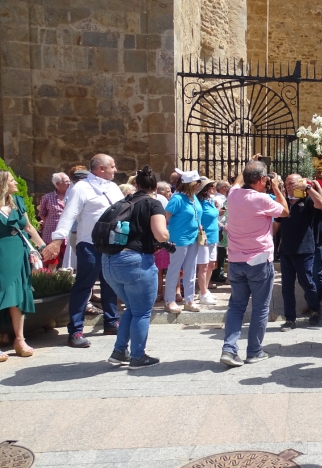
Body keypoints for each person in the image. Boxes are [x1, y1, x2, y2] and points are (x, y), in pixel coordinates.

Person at [42, 154, 123, 347]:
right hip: (89, 243)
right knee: (84, 285)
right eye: (112, 166)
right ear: (101, 168)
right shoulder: (81, 188)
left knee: (110, 282)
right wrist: (56, 240)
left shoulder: (113, 188)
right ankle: (76, 331)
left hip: (111, 243)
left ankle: (111, 322)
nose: (115, 170)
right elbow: (69, 215)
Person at [220, 161, 288, 367]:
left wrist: (249, 165)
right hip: (258, 260)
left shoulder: (233, 195)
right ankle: (254, 351)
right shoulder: (262, 200)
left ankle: (229, 349)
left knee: (236, 306)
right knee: (260, 308)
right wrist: (275, 186)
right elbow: (285, 211)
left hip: (236, 259)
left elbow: (237, 184)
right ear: (262, 180)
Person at [102, 167, 169, 370]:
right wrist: (166, 237)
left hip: (109, 261)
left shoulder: (122, 202)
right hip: (135, 261)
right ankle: (138, 356)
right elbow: (160, 234)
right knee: (141, 312)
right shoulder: (152, 203)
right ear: (155, 187)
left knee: (132, 308)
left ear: (136, 184)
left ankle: (119, 351)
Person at [0, 171, 45, 359]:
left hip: (19, 251)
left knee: (18, 294)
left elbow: (28, 227)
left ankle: (20, 340)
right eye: (11, 180)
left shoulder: (17, 201)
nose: (16, 183)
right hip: (1, 252)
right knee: (3, 291)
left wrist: (43, 246)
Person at [276, 174, 322, 330]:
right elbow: (276, 224)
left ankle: (315, 308)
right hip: (286, 250)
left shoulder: (307, 200)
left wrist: (309, 188)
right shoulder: (283, 201)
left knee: (307, 282)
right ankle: (290, 319)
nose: (289, 186)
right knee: (287, 286)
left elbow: (321, 205)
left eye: (292, 183)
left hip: (304, 249)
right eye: (287, 183)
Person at [164, 170, 203, 314]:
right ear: (191, 184)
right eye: (198, 183)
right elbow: (165, 217)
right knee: (174, 270)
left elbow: (197, 214)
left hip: (193, 238)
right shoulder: (177, 198)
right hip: (178, 239)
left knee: (191, 270)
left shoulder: (194, 198)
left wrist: (199, 227)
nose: (199, 185)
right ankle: (169, 300)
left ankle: (189, 300)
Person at [38, 172, 70, 271]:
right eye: (66, 181)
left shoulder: (73, 196)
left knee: (69, 263)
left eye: (69, 181)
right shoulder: (47, 198)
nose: (69, 183)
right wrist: (51, 223)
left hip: (69, 236)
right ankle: (50, 284)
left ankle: (69, 284)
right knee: (52, 263)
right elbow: (42, 214)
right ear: (57, 184)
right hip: (51, 235)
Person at [195, 178, 220, 305]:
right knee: (203, 266)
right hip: (204, 238)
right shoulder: (199, 202)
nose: (213, 189)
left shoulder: (210, 201)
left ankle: (204, 290)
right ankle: (203, 293)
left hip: (213, 237)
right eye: (211, 187)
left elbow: (214, 218)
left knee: (211, 265)